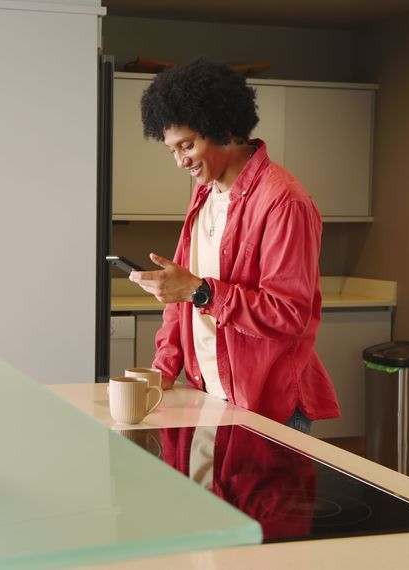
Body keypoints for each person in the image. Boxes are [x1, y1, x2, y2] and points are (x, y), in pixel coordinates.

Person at [128, 59, 339, 432]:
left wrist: (201, 292)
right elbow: (182, 298)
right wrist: (163, 369)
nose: (180, 162)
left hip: (267, 404)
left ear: (222, 129)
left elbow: (288, 314)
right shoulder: (204, 194)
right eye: (172, 151)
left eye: (187, 146)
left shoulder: (283, 201)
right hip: (210, 395)